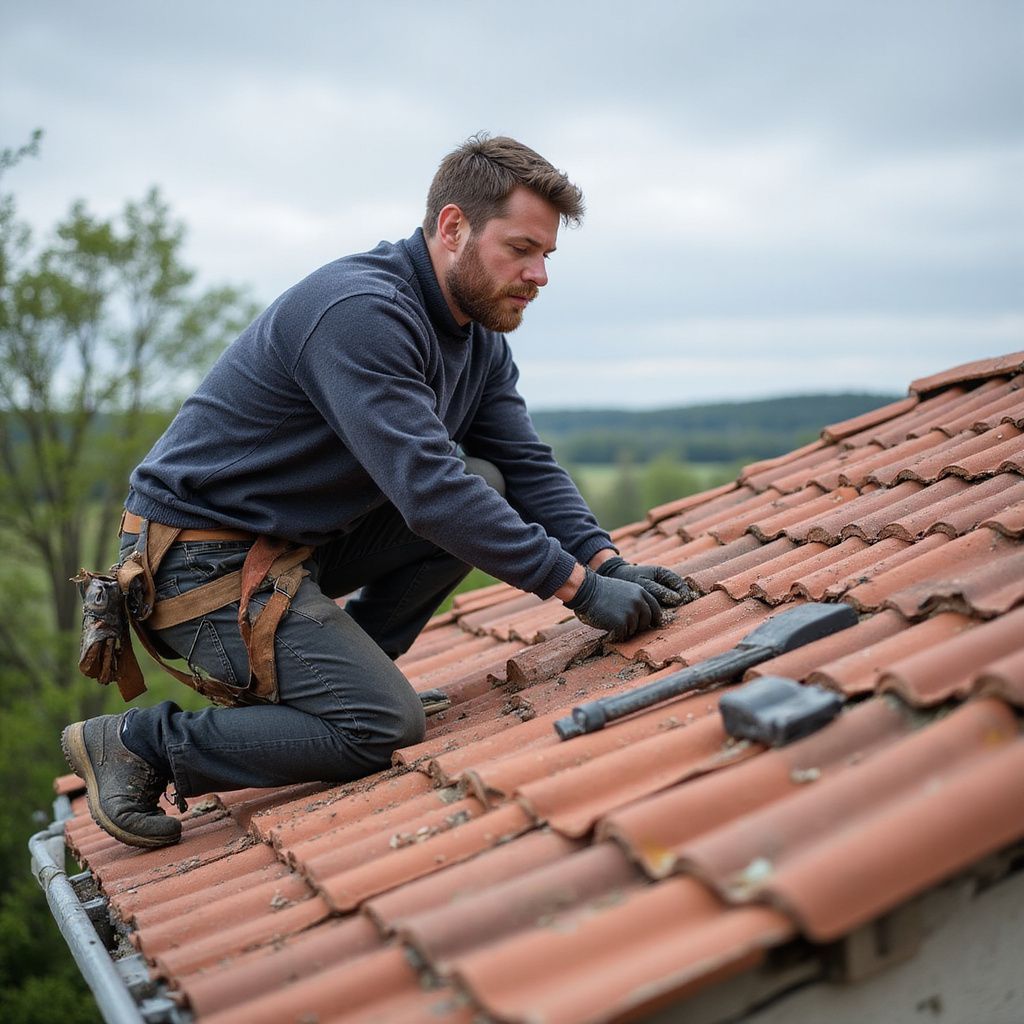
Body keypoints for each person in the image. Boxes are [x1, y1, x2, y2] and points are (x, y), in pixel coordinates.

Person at [61, 134, 688, 849]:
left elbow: (524, 464)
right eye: (520, 248)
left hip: (294, 548)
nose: (539, 273)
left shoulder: (478, 343)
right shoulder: (360, 312)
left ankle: (351, 669)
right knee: (380, 727)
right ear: (453, 228)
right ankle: (141, 742)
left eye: (547, 254)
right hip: (198, 564)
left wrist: (607, 562)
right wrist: (576, 589)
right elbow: (427, 492)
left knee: (488, 484)